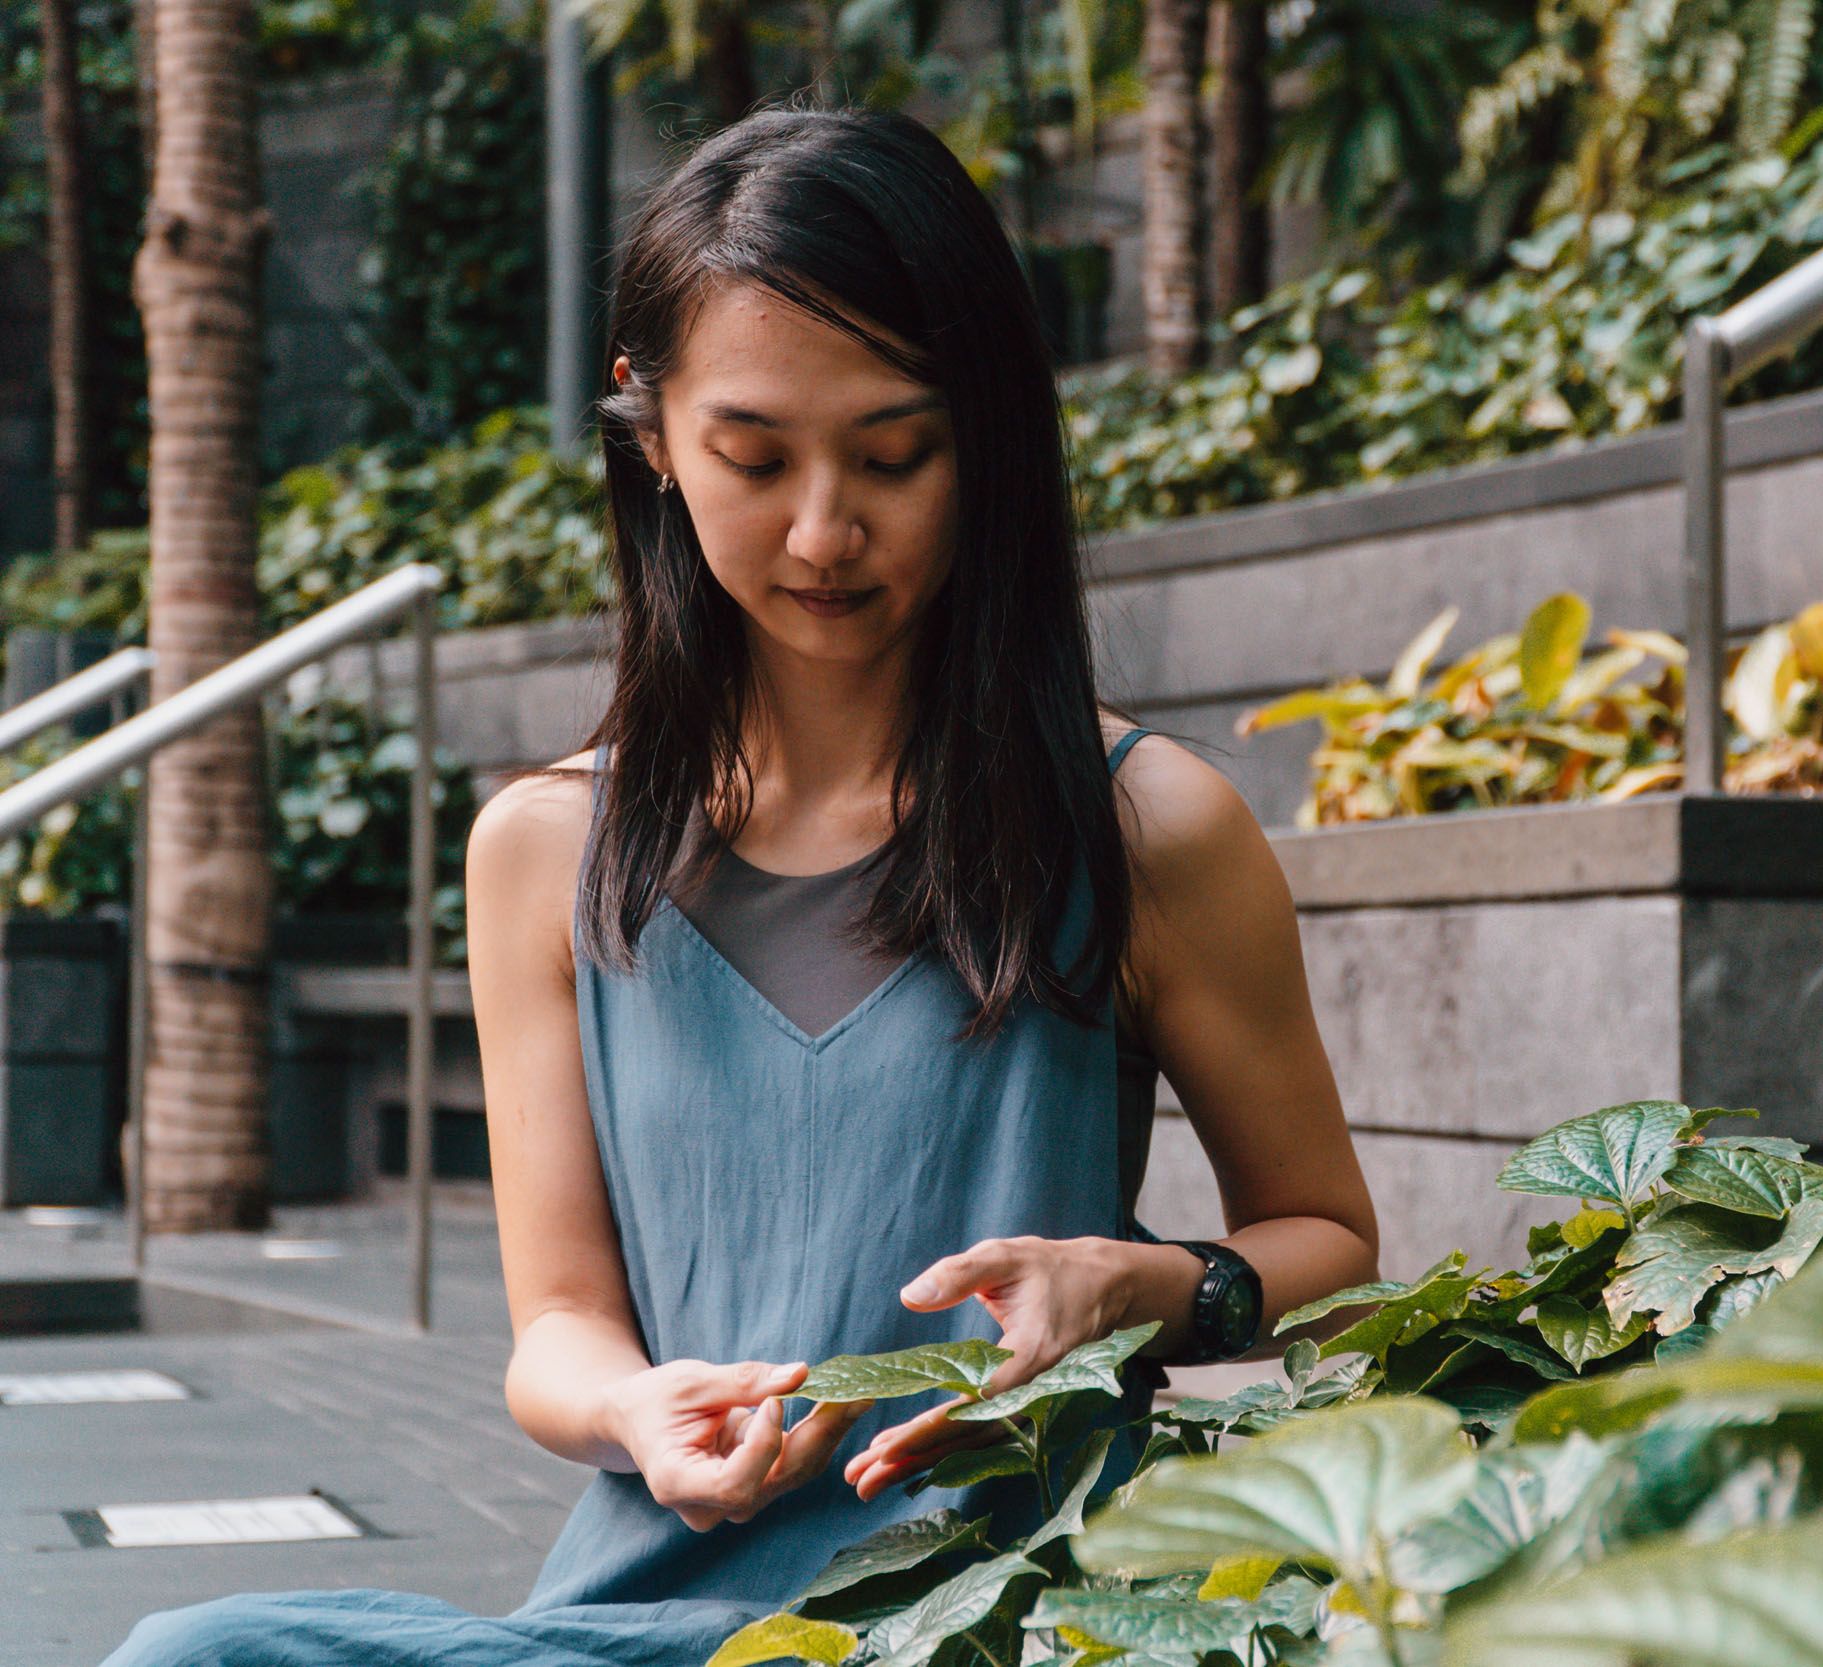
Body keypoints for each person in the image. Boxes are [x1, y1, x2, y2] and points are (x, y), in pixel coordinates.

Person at [103, 105, 1380, 1666]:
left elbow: (1327, 1243)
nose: (826, 529)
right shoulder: (547, 852)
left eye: (896, 455)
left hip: (1005, 1624)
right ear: (650, 439)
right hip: (655, 1625)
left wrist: (1144, 1287)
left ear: (983, 442)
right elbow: (559, 1329)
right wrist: (634, 1410)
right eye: (755, 457)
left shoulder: (1142, 826)